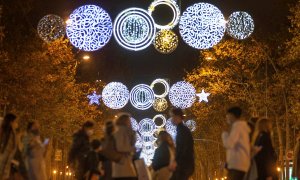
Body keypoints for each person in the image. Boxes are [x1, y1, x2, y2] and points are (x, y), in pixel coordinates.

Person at [222, 107, 251, 180]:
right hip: (241, 163)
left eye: (227, 115)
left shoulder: (237, 126)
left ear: (232, 115)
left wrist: (224, 135)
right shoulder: (243, 127)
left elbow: (229, 144)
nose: (226, 117)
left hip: (236, 164)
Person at [169, 108, 195, 180]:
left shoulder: (182, 131)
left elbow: (183, 149)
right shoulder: (182, 130)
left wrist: (176, 162)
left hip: (183, 166)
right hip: (185, 165)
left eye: (172, 116)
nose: (171, 119)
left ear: (177, 117)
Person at [112, 113, 137, 180]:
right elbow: (120, 147)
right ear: (124, 120)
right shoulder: (120, 130)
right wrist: (132, 149)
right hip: (122, 164)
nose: (130, 122)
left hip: (124, 164)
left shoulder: (122, 130)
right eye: (129, 120)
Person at [0, 113, 20, 180]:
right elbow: (5, 154)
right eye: (16, 122)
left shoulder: (11, 133)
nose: (17, 124)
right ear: (11, 122)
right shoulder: (8, 134)